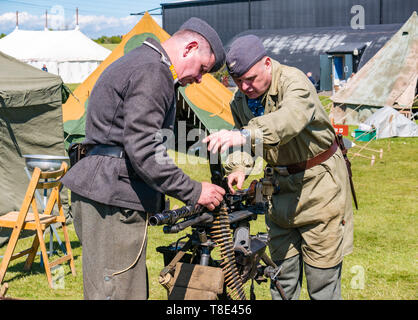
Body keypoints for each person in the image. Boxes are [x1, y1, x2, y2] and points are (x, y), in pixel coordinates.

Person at [61, 17, 226, 300]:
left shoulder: (140, 62)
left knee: (114, 289)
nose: (199, 79)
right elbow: (144, 147)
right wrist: (194, 190)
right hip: (112, 200)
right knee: (118, 293)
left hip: (104, 191)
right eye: (202, 69)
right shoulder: (154, 71)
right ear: (190, 48)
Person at [203, 35, 354, 300]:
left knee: (322, 281)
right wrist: (238, 168)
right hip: (279, 193)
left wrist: (247, 135)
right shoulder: (240, 101)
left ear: (268, 64)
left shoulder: (295, 82)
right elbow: (246, 143)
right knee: (281, 277)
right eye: (238, 81)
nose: (245, 86)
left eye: (250, 78)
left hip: (320, 190)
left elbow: (289, 119)